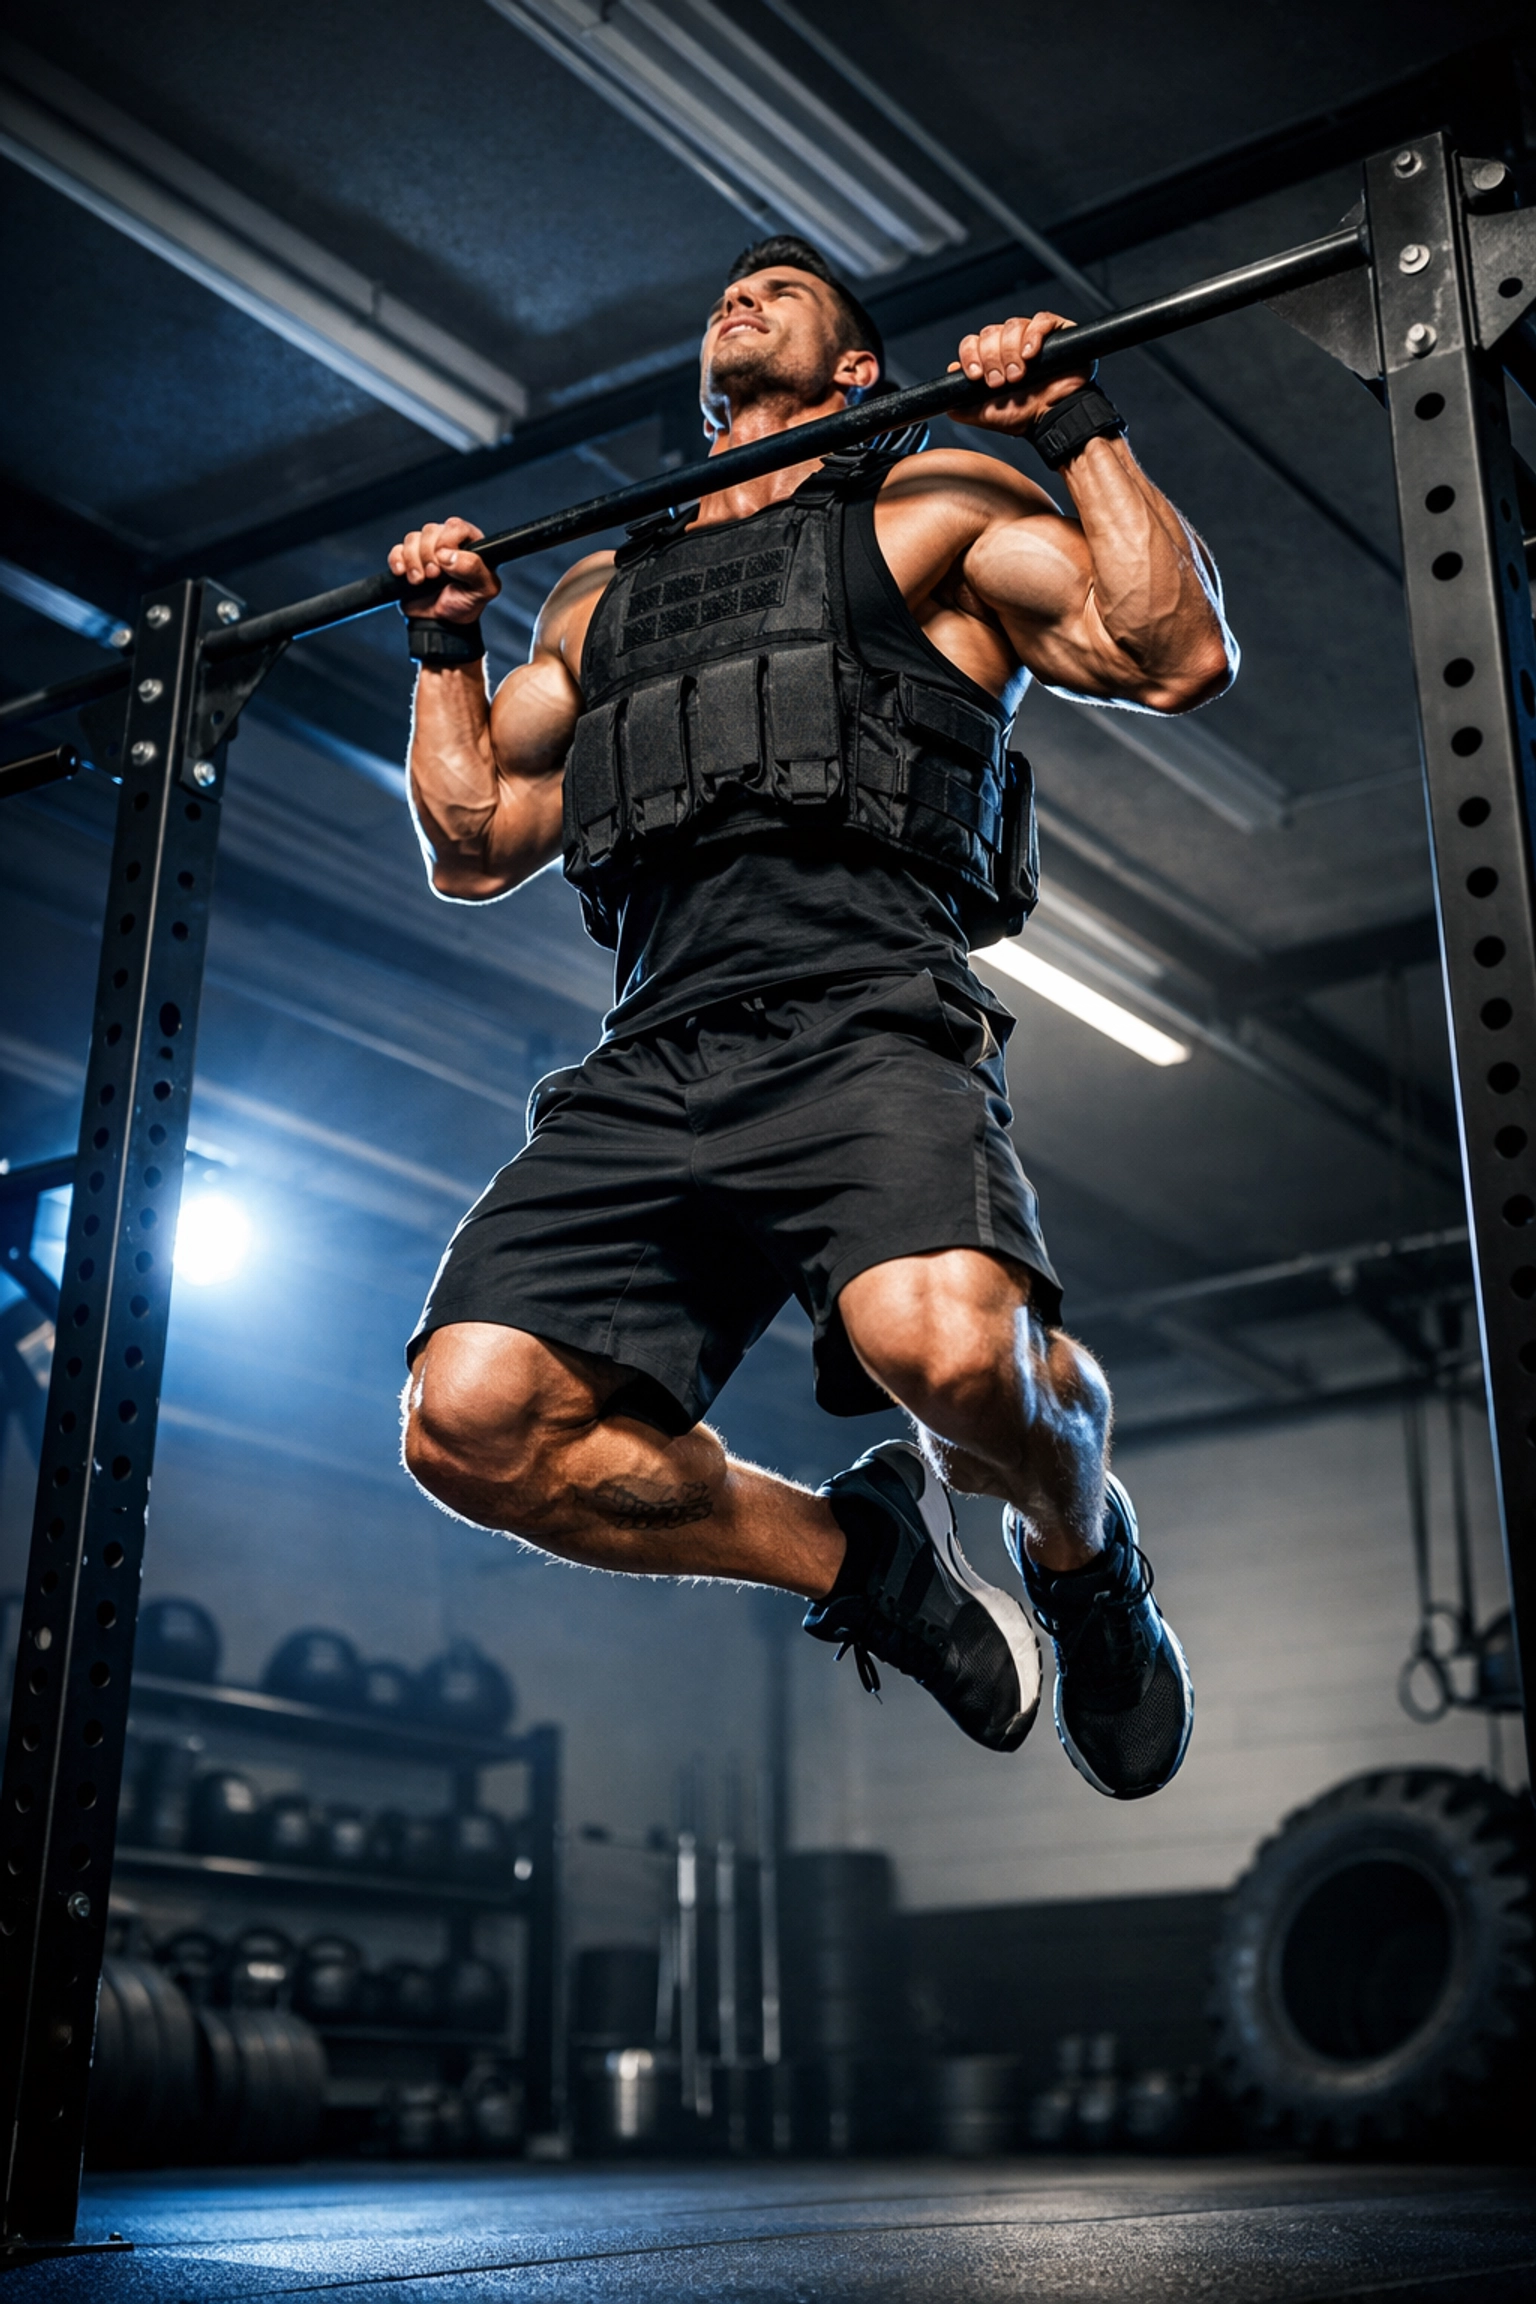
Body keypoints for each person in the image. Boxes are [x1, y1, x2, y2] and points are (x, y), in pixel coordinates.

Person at [393, 236, 1235, 1800]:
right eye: (729, 290)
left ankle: (1084, 1561)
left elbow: (1172, 648)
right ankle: (866, 1561)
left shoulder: (934, 509)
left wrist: (1073, 424)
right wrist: (445, 640)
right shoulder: (601, 594)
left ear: (857, 368)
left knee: (952, 1361)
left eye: (783, 288)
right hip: (656, 1054)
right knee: (471, 1421)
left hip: (864, 1015)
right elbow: (476, 837)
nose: (741, 293)